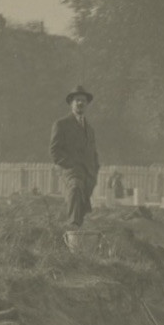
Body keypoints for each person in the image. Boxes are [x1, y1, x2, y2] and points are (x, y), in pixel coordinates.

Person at [50, 87, 101, 228]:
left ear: (87, 104)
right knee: (75, 188)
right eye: (77, 100)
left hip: (89, 174)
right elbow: (55, 151)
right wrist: (72, 164)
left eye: (83, 100)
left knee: (82, 208)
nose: (80, 103)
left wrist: (95, 168)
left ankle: (77, 236)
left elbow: (93, 152)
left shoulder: (90, 129)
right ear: (71, 103)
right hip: (71, 171)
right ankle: (72, 227)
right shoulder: (61, 124)